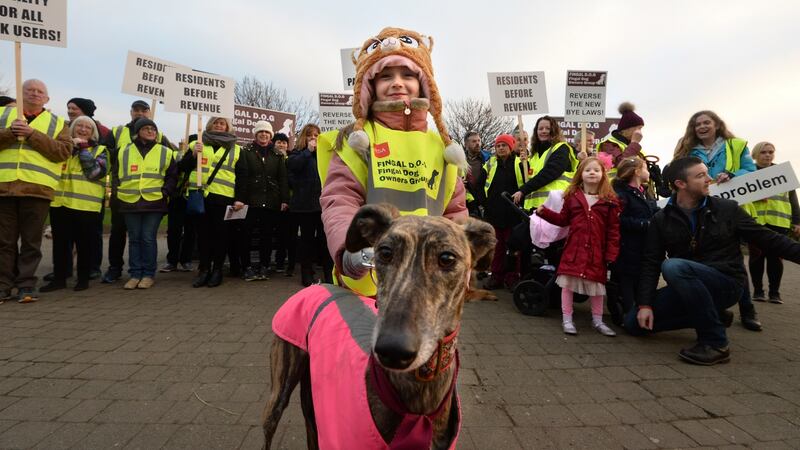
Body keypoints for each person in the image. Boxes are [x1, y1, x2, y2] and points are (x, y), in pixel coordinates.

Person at [318, 27, 468, 297]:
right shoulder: (358, 141)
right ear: (370, 88)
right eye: (385, 76)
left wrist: (460, 258)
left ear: (424, 85)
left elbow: (455, 212)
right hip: (369, 279)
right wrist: (349, 249)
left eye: (408, 74)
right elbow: (339, 201)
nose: (397, 83)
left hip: (426, 283)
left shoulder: (441, 147)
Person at [626, 157, 800, 365]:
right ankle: (712, 313)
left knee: (673, 266)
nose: (709, 179)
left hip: (726, 283)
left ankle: (715, 342)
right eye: (700, 176)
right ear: (681, 184)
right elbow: (651, 263)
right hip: (688, 285)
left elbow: (770, 239)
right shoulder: (661, 219)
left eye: (706, 173)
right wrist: (645, 304)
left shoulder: (728, 209)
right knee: (633, 323)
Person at [673, 110, 761, 331]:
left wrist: (732, 174)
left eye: (706, 123)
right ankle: (717, 307)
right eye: (697, 124)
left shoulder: (736, 145)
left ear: (717, 124)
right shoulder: (688, 150)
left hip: (730, 208)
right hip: (700, 209)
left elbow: (750, 170)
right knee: (705, 258)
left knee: (735, 259)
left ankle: (747, 308)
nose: (701, 127)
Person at [0, 79, 72, 302]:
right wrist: (11, 133)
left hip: (37, 189)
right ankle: (3, 284)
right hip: (4, 187)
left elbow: (63, 151)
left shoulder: (57, 122)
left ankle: (26, 284)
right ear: (20, 95)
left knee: (32, 242)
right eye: (29, 90)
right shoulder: (3, 115)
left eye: (40, 91)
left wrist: (32, 134)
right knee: (4, 241)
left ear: (47, 99)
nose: (34, 94)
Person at [536, 156, 620, 336]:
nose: (592, 173)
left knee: (597, 287)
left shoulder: (610, 202)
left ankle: (597, 320)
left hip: (597, 252)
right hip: (574, 250)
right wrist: (545, 213)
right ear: (580, 174)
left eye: (596, 170)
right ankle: (567, 319)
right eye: (588, 170)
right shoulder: (572, 198)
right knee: (568, 286)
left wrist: (611, 255)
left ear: (603, 175)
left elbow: (613, 231)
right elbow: (563, 220)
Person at [101, 100, 174, 284]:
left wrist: (165, 191)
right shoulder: (122, 145)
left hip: (153, 201)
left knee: (147, 237)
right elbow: (113, 167)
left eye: (152, 129)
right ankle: (133, 273)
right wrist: (117, 190)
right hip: (128, 199)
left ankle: (148, 274)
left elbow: (173, 172)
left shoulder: (164, 149)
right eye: (146, 129)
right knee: (132, 238)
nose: (150, 131)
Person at [40, 116, 108, 292]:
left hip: (86, 206)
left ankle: (83, 279)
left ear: (93, 132)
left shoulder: (101, 150)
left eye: (88, 127)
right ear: (72, 129)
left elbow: (94, 173)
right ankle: (60, 278)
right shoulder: (62, 148)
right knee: (60, 244)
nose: (83, 129)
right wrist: (70, 147)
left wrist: (83, 148)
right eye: (79, 126)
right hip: (60, 203)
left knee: (85, 244)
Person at [181, 117, 243, 288]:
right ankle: (204, 270)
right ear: (209, 125)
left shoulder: (236, 149)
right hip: (201, 197)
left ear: (227, 127)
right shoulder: (197, 144)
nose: (218, 125)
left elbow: (242, 176)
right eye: (216, 122)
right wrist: (193, 155)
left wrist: (239, 198)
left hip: (224, 197)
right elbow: (183, 167)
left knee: (221, 236)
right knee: (203, 236)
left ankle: (217, 270)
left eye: (222, 123)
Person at [746, 142, 800, 304]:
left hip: (779, 221)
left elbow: (793, 199)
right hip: (756, 222)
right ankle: (758, 291)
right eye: (763, 152)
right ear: (756, 154)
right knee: (756, 257)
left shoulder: (783, 173)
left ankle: (775, 293)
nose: (768, 155)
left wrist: (797, 222)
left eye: (771, 152)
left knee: (776, 258)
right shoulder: (748, 173)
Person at [609, 157, 659, 324]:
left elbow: (654, 211)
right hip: (627, 246)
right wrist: (645, 224)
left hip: (642, 246)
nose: (648, 172)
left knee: (639, 279)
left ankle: (639, 312)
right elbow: (618, 220)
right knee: (627, 280)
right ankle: (627, 314)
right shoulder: (622, 195)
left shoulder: (644, 192)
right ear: (637, 172)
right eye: (645, 168)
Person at [237, 121, 289, 282]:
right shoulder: (246, 152)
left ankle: (264, 266)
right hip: (250, 201)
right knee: (245, 235)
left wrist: (284, 199)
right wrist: (240, 199)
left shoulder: (278, 155)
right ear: (256, 134)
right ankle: (246, 267)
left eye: (267, 133)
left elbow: (282, 179)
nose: (264, 135)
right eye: (261, 132)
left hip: (271, 201)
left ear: (270, 136)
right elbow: (242, 177)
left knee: (266, 236)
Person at [287, 123, 333, 287]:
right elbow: (294, 166)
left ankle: (330, 274)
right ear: (304, 138)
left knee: (325, 240)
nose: (313, 138)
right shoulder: (297, 153)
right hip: (304, 205)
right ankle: (306, 274)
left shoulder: (324, 155)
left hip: (323, 205)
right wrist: (308, 151)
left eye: (316, 135)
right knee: (306, 240)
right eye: (310, 135)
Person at [480, 134, 523, 290]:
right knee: (497, 248)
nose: (501, 148)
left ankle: (512, 278)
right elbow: (480, 184)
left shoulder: (519, 163)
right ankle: (496, 276)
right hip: (495, 212)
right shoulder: (490, 163)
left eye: (504, 145)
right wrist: (485, 203)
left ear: (511, 147)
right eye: (498, 146)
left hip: (513, 213)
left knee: (513, 247)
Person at [511, 116, 576, 211]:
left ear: (554, 130)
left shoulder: (561, 148)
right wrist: (524, 165)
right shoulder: (535, 155)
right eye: (540, 129)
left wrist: (523, 190)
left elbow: (549, 173)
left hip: (555, 206)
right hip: (535, 208)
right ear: (536, 132)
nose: (544, 131)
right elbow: (530, 177)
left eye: (548, 128)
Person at [270, 133, 296, 276]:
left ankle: (290, 264)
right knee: (279, 235)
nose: (282, 145)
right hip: (274, 202)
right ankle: (279, 262)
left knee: (290, 235)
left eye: (284, 142)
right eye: (279, 142)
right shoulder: (270, 158)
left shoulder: (292, 158)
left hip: (291, 202)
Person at [596, 102, 645, 177]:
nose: (640, 132)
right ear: (627, 129)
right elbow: (622, 164)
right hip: (614, 186)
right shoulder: (609, 144)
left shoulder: (632, 145)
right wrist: (634, 143)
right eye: (638, 128)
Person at [463, 131, 486, 218]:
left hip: (483, 199)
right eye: (474, 141)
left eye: (479, 141)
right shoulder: (459, 159)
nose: (477, 143)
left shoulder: (487, 158)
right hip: (466, 200)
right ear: (466, 144)